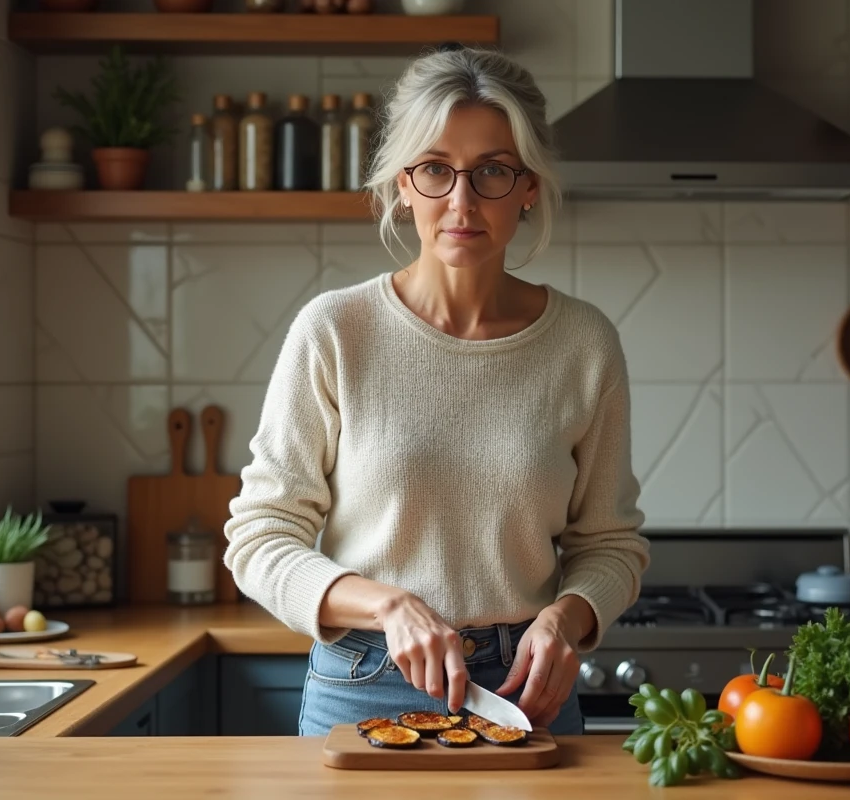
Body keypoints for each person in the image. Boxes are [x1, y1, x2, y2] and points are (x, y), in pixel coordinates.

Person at [222, 44, 650, 738]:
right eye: (434, 170)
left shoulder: (583, 343)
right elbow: (259, 536)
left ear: (530, 185)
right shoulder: (334, 330)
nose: (462, 201)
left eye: (492, 172)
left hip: (524, 691)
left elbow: (610, 543)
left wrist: (566, 620)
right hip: (363, 679)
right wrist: (386, 607)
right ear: (402, 183)